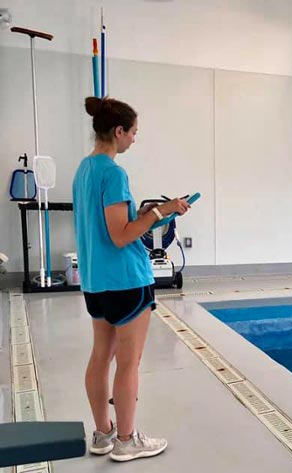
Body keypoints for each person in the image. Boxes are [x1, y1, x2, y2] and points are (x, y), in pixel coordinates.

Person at [73, 96, 189, 462]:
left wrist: (147, 215)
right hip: (126, 281)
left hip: (95, 281)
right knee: (127, 364)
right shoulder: (113, 172)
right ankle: (126, 440)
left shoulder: (83, 169)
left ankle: (103, 433)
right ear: (119, 131)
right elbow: (121, 236)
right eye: (133, 133)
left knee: (99, 358)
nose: (134, 140)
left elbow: (109, 224)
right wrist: (163, 210)